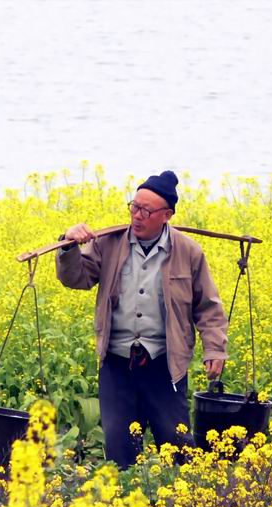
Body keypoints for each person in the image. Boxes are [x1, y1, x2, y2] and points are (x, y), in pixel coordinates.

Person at [56, 170, 228, 469]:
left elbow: (208, 306)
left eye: (146, 211)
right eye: (133, 207)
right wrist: (69, 245)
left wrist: (214, 349)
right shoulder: (108, 243)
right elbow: (77, 279)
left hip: (165, 364)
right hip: (117, 362)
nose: (137, 216)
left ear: (167, 215)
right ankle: (124, 506)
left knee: (176, 447)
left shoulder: (188, 251)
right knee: (119, 447)